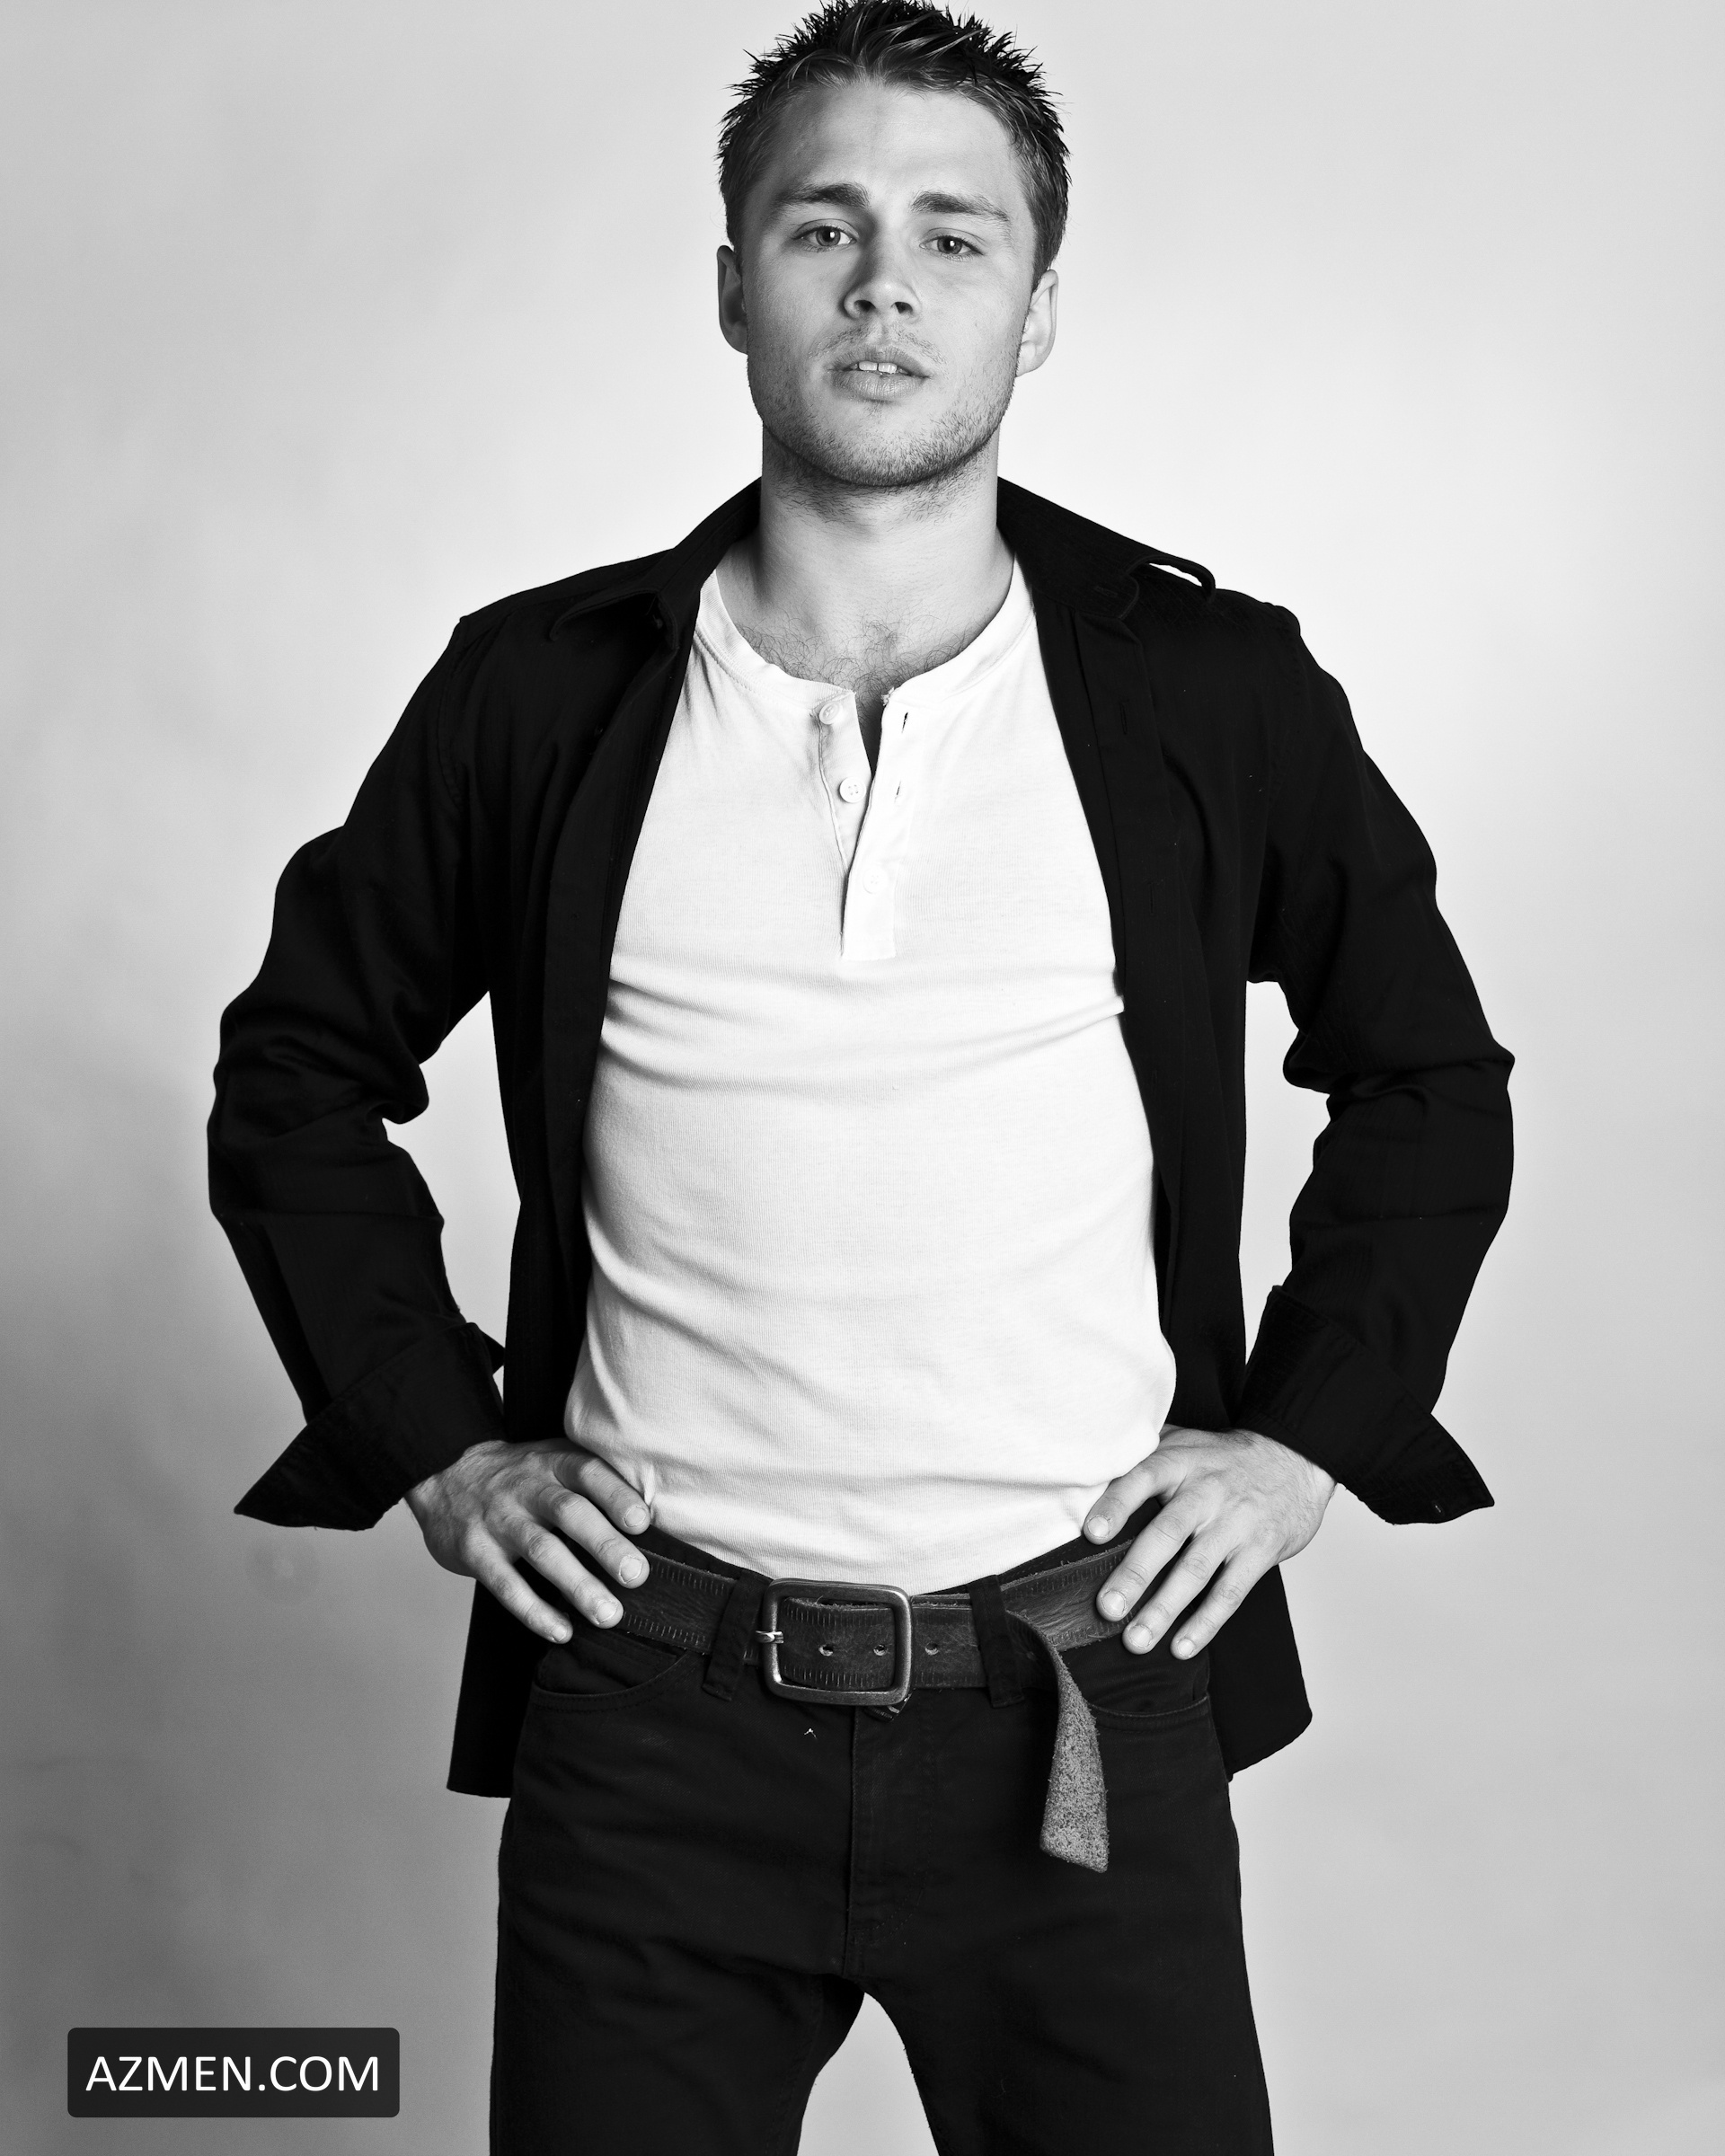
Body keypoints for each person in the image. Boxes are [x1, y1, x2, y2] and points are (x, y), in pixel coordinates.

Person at [209, 4, 1513, 2149]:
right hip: (653, 1714)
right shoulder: (541, 696)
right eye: (824, 228)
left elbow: (1428, 1076)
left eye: (952, 236)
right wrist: (439, 1447)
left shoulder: (1210, 690)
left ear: (1038, 304)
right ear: (736, 285)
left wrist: (1306, 1439)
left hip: (1080, 1695)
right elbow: (297, 1074)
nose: (885, 286)